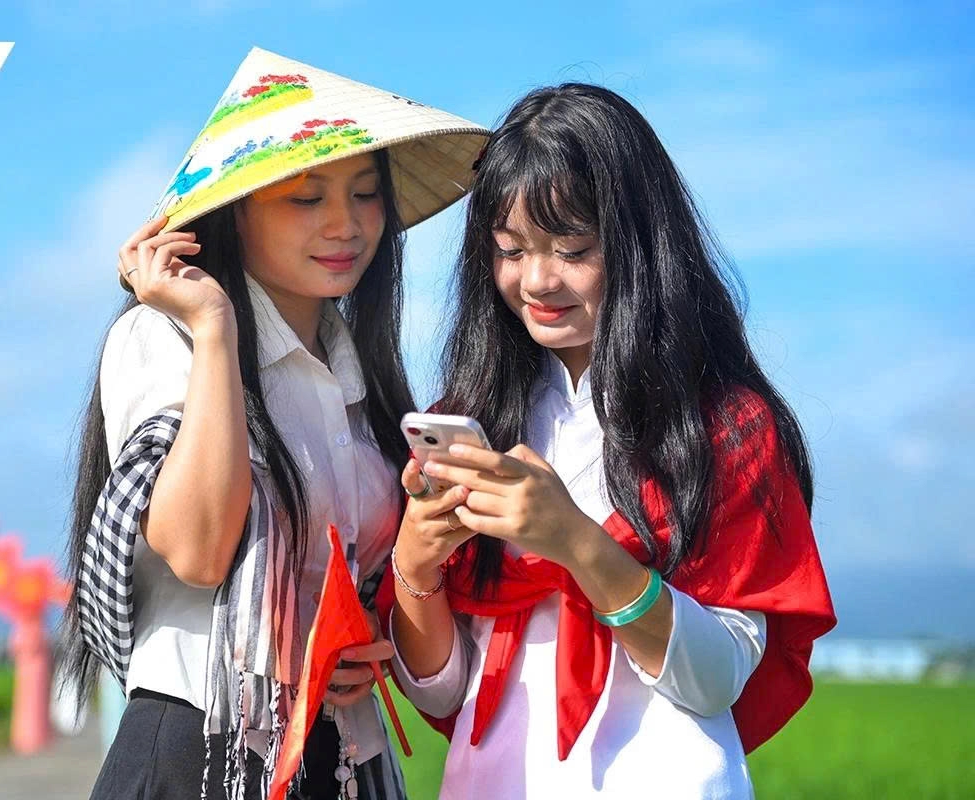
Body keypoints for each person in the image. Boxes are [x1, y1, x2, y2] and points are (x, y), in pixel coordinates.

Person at [386, 83, 836, 798]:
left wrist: (575, 542)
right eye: (510, 250)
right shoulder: (475, 421)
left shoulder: (723, 428)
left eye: (571, 249)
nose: (537, 279)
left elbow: (716, 680)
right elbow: (443, 695)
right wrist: (415, 562)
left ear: (639, 243)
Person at [62, 47, 488, 800]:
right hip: (200, 751)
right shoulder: (167, 339)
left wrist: (365, 640)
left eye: (365, 195)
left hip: (340, 758)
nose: (345, 224)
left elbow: (361, 577)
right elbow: (197, 551)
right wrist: (216, 325)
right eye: (304, 198)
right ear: (236, 211)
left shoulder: (365, 381)